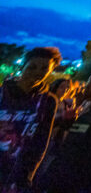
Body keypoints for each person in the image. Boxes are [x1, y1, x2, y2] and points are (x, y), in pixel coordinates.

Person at [38, 67, 91, 193]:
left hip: (81, 185)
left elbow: (89, 156)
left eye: (89, 81)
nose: (85, 86)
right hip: (66, 180)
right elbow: (71, 139)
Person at [0, 46, 61, 190]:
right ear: (23, 66)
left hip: (18, 169)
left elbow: (41, 140)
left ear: (51, 71)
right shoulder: (3, 93)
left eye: (44, 68)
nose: (37, 72)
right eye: (32, 67)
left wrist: (29, 173)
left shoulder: (48, 101)